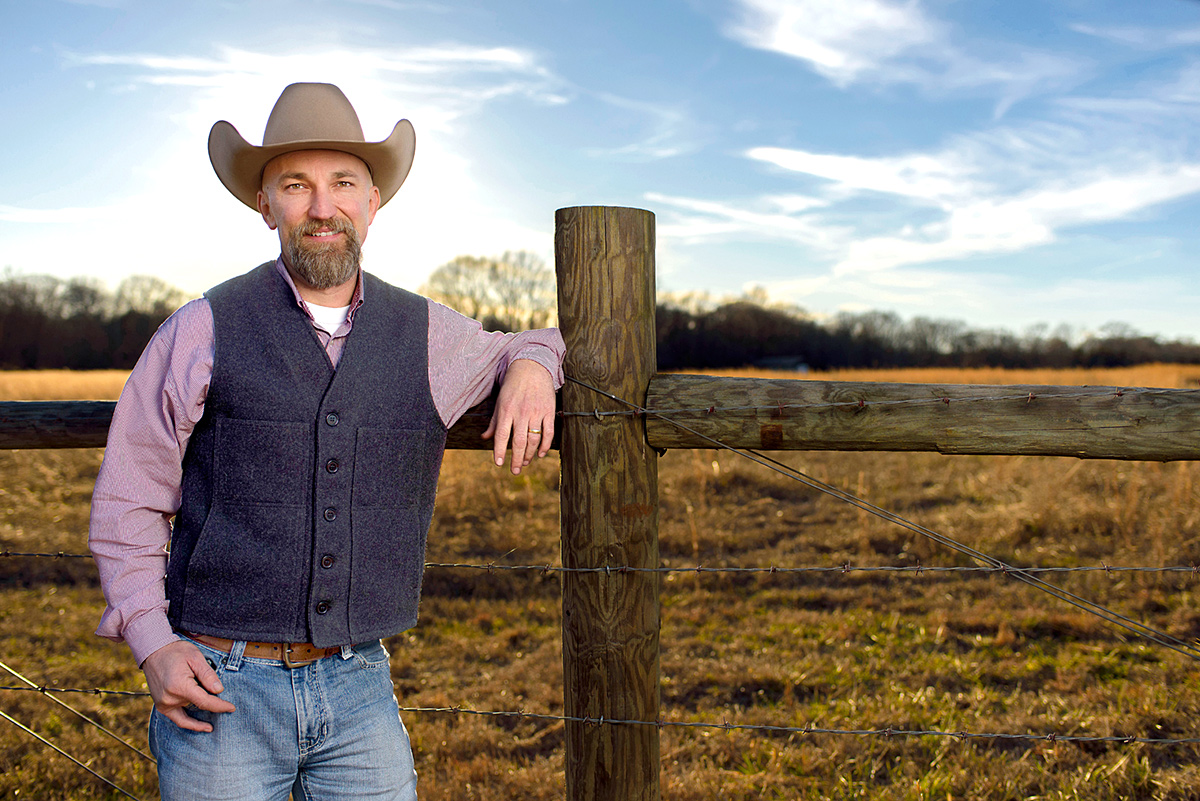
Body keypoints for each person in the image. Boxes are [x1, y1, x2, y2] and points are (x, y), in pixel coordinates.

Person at [88, 82, 564, 800]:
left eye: (342, 183)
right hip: (220, 683)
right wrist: (154, 643)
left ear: (372, 202)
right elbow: (129, 496)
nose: (321, 207)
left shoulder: (429, 334)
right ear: (265, 204)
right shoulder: (202, 327)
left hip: (360, 684)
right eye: (295, 184)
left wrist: (532, 365)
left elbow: (529, 341)